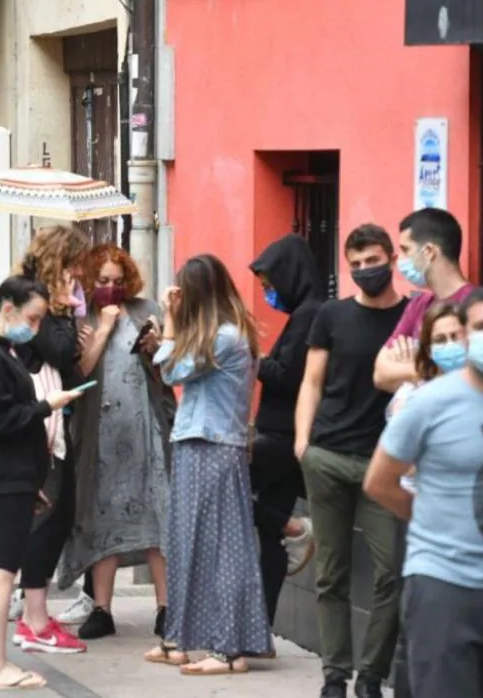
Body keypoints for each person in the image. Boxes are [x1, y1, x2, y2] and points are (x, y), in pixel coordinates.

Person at [364, 285, 483, 698]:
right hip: (443, 584)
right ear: (466, 333)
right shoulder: (429, 403)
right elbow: (379, 481)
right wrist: (431, 518)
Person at [0, 275, 86, 691]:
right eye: (33, 318)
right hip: (5, 474)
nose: (36, 329)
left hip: (11, 475)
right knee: (1, 573)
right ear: (8, 308)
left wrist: (31, 479)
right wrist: (47, 405)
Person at [144, 253, 270, 676]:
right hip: (203, 443)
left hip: (211, 445)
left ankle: (228, 648)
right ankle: (180, 640)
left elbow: (170, 371)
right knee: (188, 543)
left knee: (220, 548)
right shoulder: (225, 334)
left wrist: (169, 318)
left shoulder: (225, 337)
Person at [295, 224, 408, 698]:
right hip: (327, 455)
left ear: (391, 259)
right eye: (356, 264)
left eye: (373, 261)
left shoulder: (411, 317)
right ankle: (335, 675)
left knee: (391, 573)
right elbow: (312, 381)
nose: (365, 271)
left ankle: (372, 676)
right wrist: (303, 444)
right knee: (331, 574)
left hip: (385, 464)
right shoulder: (331, 316)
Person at [56, 244, 171, 642]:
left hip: (145, 432)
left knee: (158, 516)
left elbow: (164, 376)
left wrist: (156, 350)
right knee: (100, 518)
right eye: (103, 281)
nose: (111, 288)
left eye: (118, 282)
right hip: (99, 435)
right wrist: (103, 329)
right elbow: (80, 372)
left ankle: (165, 607)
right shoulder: (79, 317)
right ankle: (102, 609)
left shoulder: (146, 309)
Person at [7, 226, 91, 654]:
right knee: (48, 515)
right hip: (42, 421)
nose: (80, 271)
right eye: (75, 262)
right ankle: (34, 621)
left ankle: (35, 613)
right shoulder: (36, 296)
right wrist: (66, 312)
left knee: (57, 514)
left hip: (53, 414)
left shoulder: (39, 294)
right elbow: (59, 352)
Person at [248, 233, 324, 627]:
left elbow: (290, 377)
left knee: (228, 491)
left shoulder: (310, 316)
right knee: (270, 538)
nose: (268, 294)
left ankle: (294, 526)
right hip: (280, 433)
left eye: (270, 285)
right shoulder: (302, 315)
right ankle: (261, 626)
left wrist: (253, 359)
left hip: (281, 437)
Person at [374, 208, 476, 393]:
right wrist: (433, 369)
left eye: (406, 250)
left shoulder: (479, 305)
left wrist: (413, 363)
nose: (400, 260)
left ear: (428, 251)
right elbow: (380, 373)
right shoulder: (419, 304)